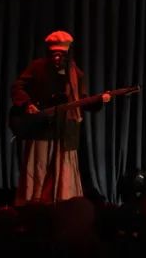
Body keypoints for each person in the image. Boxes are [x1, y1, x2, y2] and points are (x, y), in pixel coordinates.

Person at [11, 30, 109, 204]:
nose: (57, 58)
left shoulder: (75, 73)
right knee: (39, 166)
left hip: (65, 128)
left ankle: (62, 203)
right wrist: (28, 104)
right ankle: (34, 204)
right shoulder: (37, 67)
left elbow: (82, 101)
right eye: (53, 54)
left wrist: (100, 101)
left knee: (64, 168)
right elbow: (18, 87)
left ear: (67, 54)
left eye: (61, 54)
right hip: (41, 127)